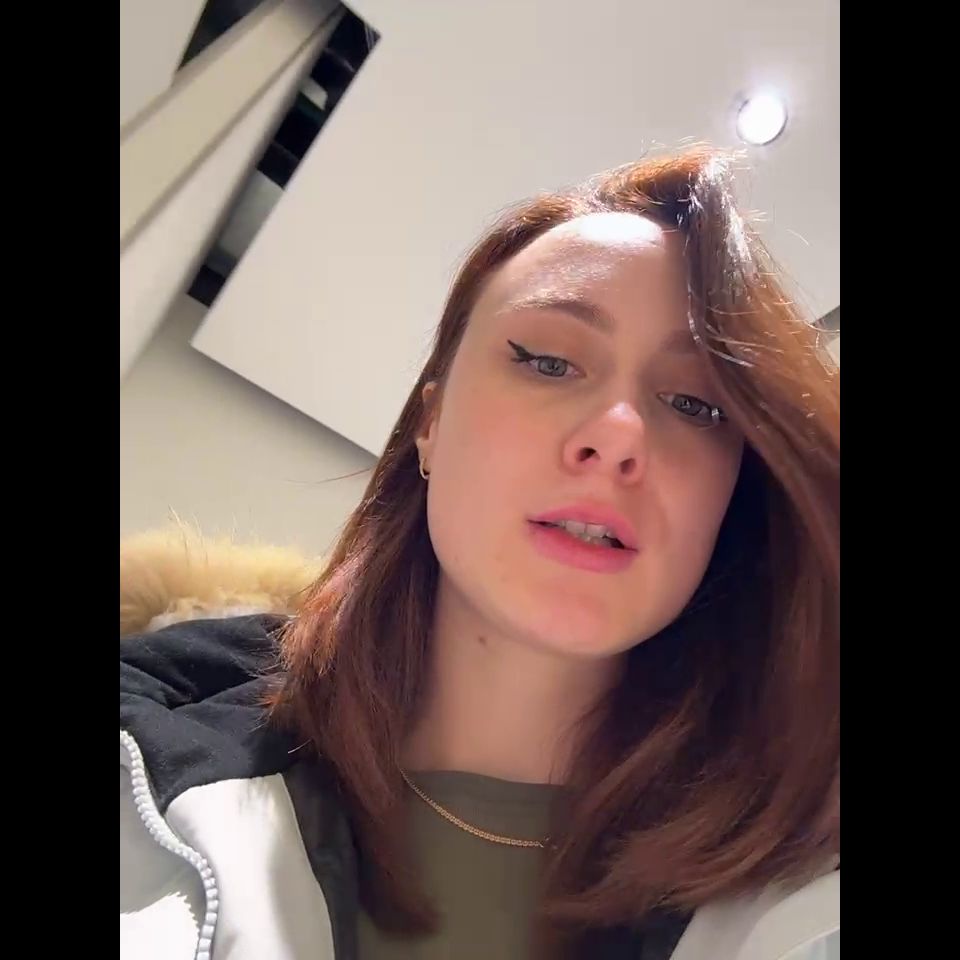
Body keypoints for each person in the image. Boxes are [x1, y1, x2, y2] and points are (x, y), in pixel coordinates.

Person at [120, 146, 840, 960]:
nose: (618, 436)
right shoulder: (144, 755)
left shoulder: (808, 895)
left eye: (694, 404)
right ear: (430, 424)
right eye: (548, 361)